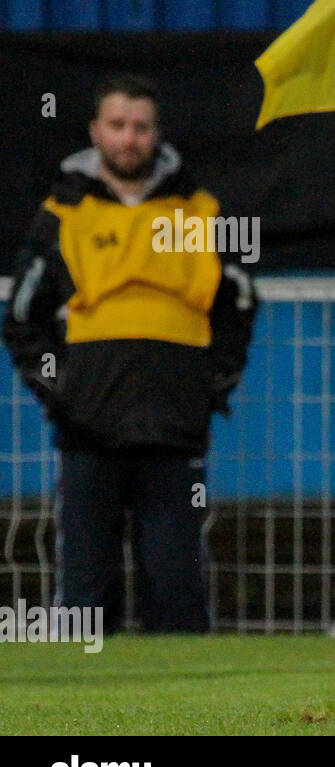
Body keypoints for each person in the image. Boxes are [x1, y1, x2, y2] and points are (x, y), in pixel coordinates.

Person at [2, 75, 258, 633]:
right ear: (96, 132)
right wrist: (61, 392)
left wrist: (209, 386)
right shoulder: (62, 213)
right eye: (117, 125)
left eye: (140, 127)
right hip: (87, 434)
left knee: (178, 597)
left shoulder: (200, 212)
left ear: (156, 134)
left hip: (175, 433)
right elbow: (22, 317)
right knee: (85, 603)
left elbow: (238, 305)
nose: (128, 138)